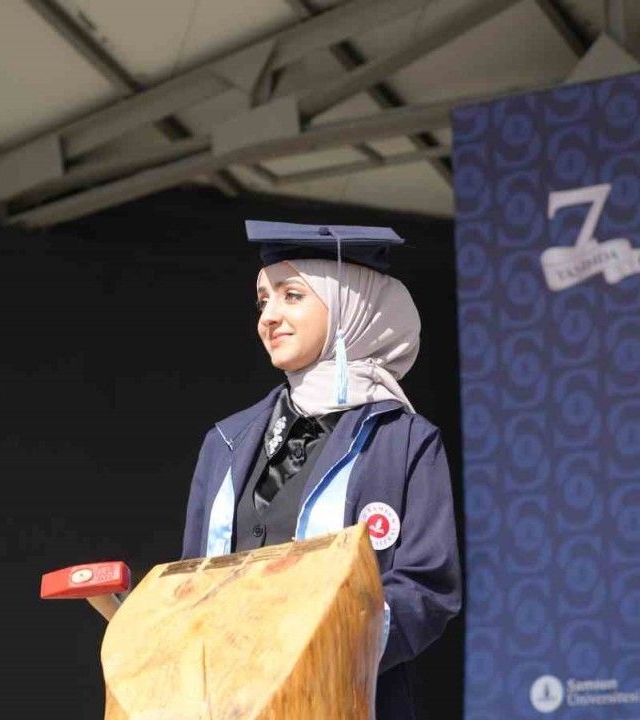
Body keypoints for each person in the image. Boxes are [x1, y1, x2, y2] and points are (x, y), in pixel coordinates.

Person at [180, 220, 462, 719]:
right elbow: (192, 579)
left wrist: (331, 638)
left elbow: (428, 587)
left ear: (349, 305)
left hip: (346, 699)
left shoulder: (403, 442)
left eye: (292, 296)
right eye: (263, 300)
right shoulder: (225, 443)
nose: (269, 316)